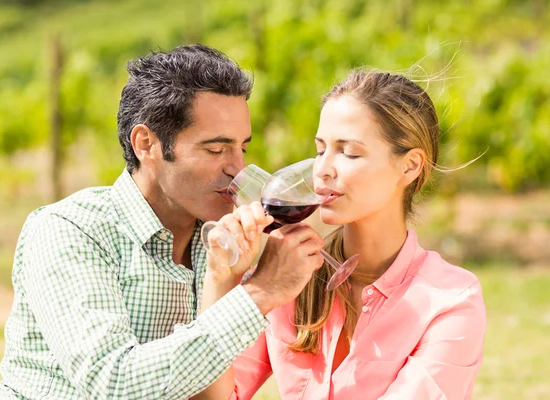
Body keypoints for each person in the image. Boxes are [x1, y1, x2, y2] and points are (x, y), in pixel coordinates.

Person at [0, 44, 324, 399]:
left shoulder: (222, 239)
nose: (237, 168)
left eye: (242, 148)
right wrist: (259, 293)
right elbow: (114, 383)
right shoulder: (70, 230)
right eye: (215, 149)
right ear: (146, 144)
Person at [197, 70, 487, 399]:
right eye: (321, 150)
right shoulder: (289, 277)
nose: (322, 169)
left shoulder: (450, 301)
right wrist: (220, 278)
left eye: (348, 153)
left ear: (410, 166)